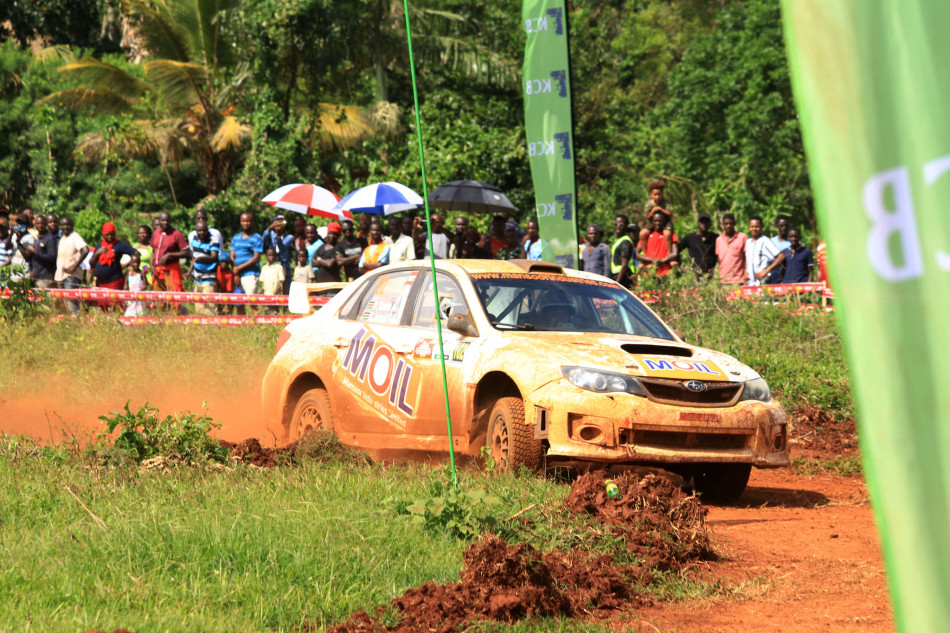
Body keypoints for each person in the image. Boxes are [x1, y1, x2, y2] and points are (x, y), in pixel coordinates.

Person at [91, 221, 137, 311]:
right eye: (107, 235)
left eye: (112, 234)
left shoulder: (119, 245)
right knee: (104, 307)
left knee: (115, 306)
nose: (109, 237)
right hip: (101, 282)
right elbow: (91, 263)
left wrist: (128, 265)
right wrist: (97, 253)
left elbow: (135, 253)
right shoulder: (99, 245)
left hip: (115, 281)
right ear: (103, 234)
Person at [55, 216, 89, 316]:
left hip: (72, 276)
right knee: (65, 303)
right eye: (64, 225)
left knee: (72, 303)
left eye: (68, 224)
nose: (66, 227)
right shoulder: (63, 238)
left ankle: (75, 324)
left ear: (72, 226)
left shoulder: (75, 237)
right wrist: (58, 278)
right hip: (62, 276)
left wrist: (73, 267)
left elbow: (85, 250)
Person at [150, 211, 189, 292]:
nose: (165, 222)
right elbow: (153, 251)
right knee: (158, 299)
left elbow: (187, 252)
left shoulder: (176, 234)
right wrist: (151, 265)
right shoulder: (156, 233)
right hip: (158, 270)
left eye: (167, 220)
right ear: (159, 221)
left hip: (171, 270)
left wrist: (169, 255)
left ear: (170, 221)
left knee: (173, 299)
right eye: (163, 220)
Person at [189, 219, 219, 315]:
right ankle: (201, 327)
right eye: (199, 230)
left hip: (209, 277)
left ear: (207, 230)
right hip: (197, 277)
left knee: (209, 304)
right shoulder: (194, 239)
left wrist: (202, 259)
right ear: (195, 230)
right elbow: (194, 258)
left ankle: (211, 325)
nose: (201, 232)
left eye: (203, 230)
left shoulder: (213, 240)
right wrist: (190, 272)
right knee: (198, 305)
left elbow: (214, 257)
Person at [230, 211, 264, 296]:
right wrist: (236, 272)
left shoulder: (257, 238)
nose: (245, 223)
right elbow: (232, 256)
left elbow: (256, 258)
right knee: (238, 303)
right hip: (237, 275)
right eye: (243, 221)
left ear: (252, 222)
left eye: (248, 221)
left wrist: (239, 268)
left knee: (252, 303)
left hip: (250, 274)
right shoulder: (236, 237)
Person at [637, 213, 679, 279]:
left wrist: (662, 261)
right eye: (655, 221)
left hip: (665, 273)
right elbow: (637, 254)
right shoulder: (646, 236)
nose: (658, 223)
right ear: (652, 222)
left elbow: (675, 253)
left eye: (660, 221)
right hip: (649, 273)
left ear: (664, 222)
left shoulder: (671, 235)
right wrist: (652, 260)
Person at [745, 216, 784, 286]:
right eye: (752, 226)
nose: (754, 229)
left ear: (762, 227)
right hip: (750, 284)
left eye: (757, 227)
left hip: (762, 284)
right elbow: (746, 259)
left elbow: (781, 256)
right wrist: (745, 271)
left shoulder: (765, 241)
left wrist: (766, 271)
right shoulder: (748, 242)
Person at [640, 179, 675, 255]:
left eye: (660, 194)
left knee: (667, 234)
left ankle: (669, 255)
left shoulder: (666, 202)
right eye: (655, 195)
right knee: (642, 234)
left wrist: (660, 209)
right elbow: (647, 217)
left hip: (665, 222)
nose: (658, 197)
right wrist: (652, 212)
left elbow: (670, 214)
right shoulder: (649, 204)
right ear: (651, 195)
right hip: (653, 222)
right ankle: (645, 255)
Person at [262, 214, 294, 292]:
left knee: (285, 291)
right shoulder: (271, 234)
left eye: (282, 222)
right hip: (272, 267)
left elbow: (282, 247)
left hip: (284, 266)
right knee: (272, 290)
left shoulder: (289, 237)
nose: (279, 224)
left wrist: (278, 236)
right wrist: (269, 228)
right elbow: (262, 240)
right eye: (277, 222)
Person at [715, 213, 747, 284]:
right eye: (726, 224)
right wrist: (717, 277)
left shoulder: (742, 237)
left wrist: (746, 276)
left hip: (738, 280)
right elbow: (719, 260)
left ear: (734, 223)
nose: (728, 226)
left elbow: (746, 258)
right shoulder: (719, 240)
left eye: (730, 223)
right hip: (723, 281)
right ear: (722, 225)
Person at [29, 214, 58, 289]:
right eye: (38, 223)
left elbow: (52, 258)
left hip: (45, 278)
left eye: (42, 223)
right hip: (35, 277)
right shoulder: (35, 238)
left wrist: (35, 251)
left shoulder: (50, 238)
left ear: (46, 225)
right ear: (35, 225)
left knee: (44, 300)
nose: (40, 225)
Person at [610, 215, 637, 288]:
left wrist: (616, 284)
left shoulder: (625, 242)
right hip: (617, 275)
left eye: (621, 224)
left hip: (624, 277)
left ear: (626, 226)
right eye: (616, 224)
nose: (618, 226)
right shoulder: (618, 241)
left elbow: (624, 266)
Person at [9, 213, 35, 283]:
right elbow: (7, 247)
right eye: (18, 223)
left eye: (22, 223)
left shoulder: (31, 237)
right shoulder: (14, 236)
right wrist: (11, 234)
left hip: (24, 275)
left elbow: (28, 257)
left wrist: (18, 243)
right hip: (13, 274)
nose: (20, 225)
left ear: (27, 225)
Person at [259, 247, 286, 314]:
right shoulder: (264, 268)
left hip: (275, 295)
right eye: (270, 255)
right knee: (267, 312)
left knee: (274, 312)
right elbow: (263, 284)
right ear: (266, 256)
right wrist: (258, 293)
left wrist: (275, 292)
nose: (272, 257)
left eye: (273, 255)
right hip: (266, 296)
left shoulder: (278, 267)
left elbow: (281, 282)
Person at [768, 215, 792, 284]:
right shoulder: (771, 242)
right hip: (775, 274)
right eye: (781, 226)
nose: (783, 228)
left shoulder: (794, 242)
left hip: (789, 274)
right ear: (777, 226)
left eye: (785, 225)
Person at [123, 252, 147, 317]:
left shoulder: (141, 273)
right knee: (130, 313)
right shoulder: (129, 273)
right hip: (131, 297)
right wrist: (126, 292)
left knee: (140, 313)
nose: (136, 264)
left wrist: (140, 291)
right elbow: (126, 284)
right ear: (131, 263)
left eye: (138, 262)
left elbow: (145, 285)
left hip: (139, 298)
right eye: (134, 263)